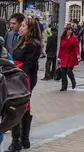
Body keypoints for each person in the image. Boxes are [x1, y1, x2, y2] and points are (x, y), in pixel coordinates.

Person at [6, 16, 41, 151]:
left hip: (24, 79)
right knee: (21, 107)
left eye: (23, 26)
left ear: (30, 29)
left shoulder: (33, 44)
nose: (20, 28)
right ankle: (22, 139)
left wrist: (16, 70)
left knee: (19, 107)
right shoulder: (21, 41)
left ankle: (19, 140)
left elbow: (29, 65)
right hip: (17, 77)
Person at [58, 26, 80, 91]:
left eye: (71, 30)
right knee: (63, 72)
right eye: (69, 30)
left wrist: (78, 54)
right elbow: (61, 48)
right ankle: (64, 86)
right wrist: (59, 57)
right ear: (66, 31)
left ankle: (73, 81)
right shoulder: (62, 38)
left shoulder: (74, 38)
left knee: (69, 71)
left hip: (71, 57)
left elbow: (77, 47)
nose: (70, 31)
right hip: (64, 56)